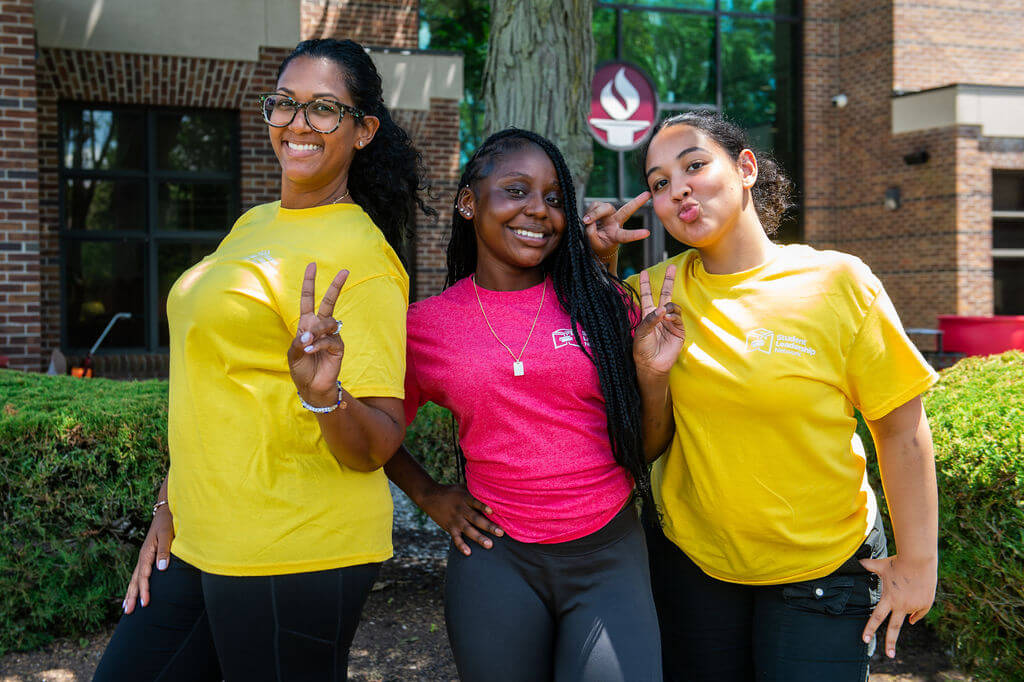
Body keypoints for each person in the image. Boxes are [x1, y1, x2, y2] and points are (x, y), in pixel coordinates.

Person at [93, 38, 434, 681]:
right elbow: (212, 384)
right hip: (202, 538)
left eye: (324, 108)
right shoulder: (252, 223)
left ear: (363, 131)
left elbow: (377, 443)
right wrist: (169, 505)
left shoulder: (363, 258)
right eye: (284, 103)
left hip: (295, 546)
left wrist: (322, 394)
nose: (298, 123)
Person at [583, 109, 939, 682]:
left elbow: (900, 428)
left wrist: (919, 565)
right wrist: (595, 261)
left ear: (746, 168)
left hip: (823, 569)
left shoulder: (839, 283)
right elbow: (596, 403)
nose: (678, 190)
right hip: (694, 567)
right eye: (659, 184)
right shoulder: (649, 298)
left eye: (694, 165)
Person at [383, 128, 684, 682]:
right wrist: (427, 495)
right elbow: (377, 429)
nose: (538, 211)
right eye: (516, 190)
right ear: (469, 203)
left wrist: (654, 377)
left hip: (608, 552)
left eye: (553, 198)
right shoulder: (425, 327)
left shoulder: (601, 303)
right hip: (498, 558)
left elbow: (643, 446)